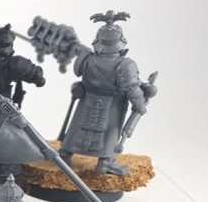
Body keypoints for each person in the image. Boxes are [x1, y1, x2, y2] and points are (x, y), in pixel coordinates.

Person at [58, 12, 157, 175]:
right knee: (109, 131)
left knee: (78, 126)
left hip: (87, 100)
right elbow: (133, 91)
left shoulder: (87, 58)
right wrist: (140, 105)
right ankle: (105, 161)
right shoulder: (126, 65)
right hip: (113, 104)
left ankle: (65, 153)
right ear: (121, 40)